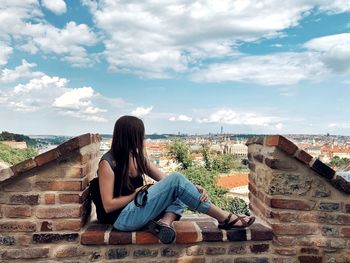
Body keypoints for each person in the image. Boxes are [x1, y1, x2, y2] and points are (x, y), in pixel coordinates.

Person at [94, 115, 255, 244]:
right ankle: (225, 218)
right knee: (178, 181)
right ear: (131, 136)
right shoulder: (107, 163)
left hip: (137, 209)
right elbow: (108, 205)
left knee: (180, 188)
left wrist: (193, 187)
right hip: (122, 219)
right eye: (140, 135)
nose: (142, 138)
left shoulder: (137, 158)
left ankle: (164, 223)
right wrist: (136, 193)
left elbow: (167, 181)